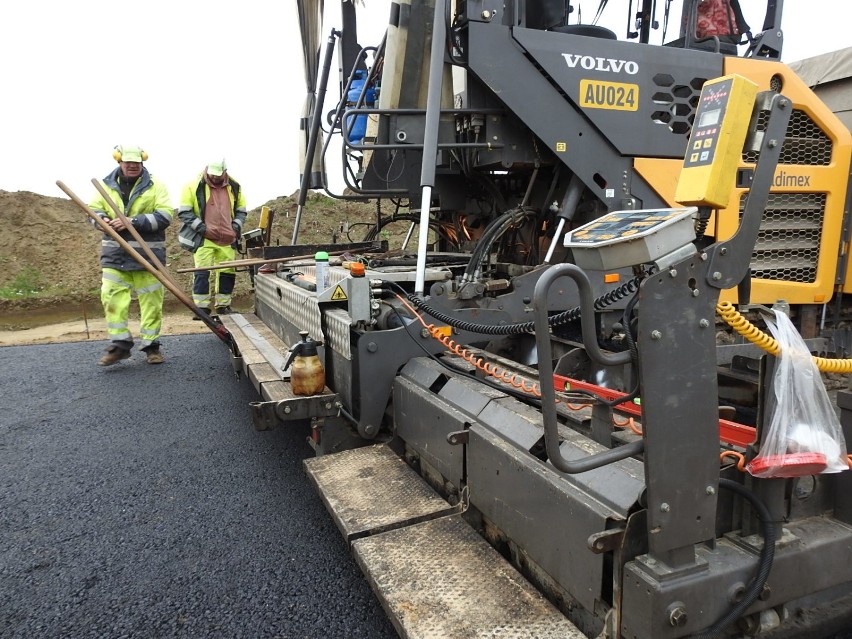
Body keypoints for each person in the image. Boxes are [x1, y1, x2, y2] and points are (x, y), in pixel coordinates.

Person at [89, 145, 173, 366]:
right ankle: (120, 346)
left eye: (136, 163)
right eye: (128, 163)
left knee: (151, 301)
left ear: (142, 163)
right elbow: (93, 210)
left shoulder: (156, 186)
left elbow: (165, 216)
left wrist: (133, 222)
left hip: (147, 256)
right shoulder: (105, 186)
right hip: (115, 255)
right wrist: (101, 221)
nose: (133, 166)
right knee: (111, 297)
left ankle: (151, 347)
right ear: (120, 163)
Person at [177, 160, 247, 317]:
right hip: (204, 239)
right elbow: (185, 212)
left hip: (228, 239)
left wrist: (235, 227)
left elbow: (241, 210)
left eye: (218, 174)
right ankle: (202, 308)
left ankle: (223, 306)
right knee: (202, 272)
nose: (214, 177)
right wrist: (202, 229)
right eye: (212, 174)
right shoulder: (192, 186)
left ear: (225, 171)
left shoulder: (235, 186)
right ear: (206, 170)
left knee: (227, 272)